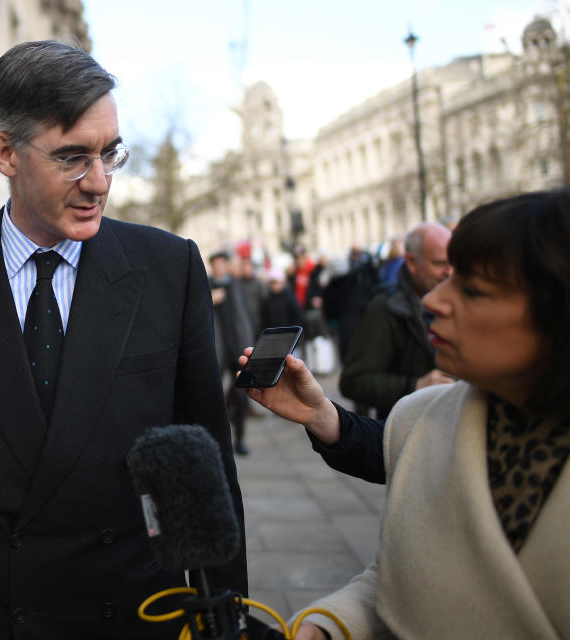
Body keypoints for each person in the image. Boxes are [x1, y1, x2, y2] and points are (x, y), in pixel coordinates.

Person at [0, 41, 248, 640]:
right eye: (72, 158)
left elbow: (209, 466)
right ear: (5, 152)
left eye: (109, 153)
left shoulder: (169, 269)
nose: (99, 182)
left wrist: (228, 616)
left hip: (137, 616)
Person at [240, 189, 570, 639]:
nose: (435, 301)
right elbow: (406, 579)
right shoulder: (424, 416)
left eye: (472, 288)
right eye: (445, 273)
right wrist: (333, 624)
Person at [338, 222, 455, 419]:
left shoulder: (461, 299)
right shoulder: (384, 308)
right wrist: (414, 386)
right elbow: (353, 381)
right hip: (409, 433)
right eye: (440, 263)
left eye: (454, 262)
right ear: (411, 262)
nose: (450, 272)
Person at [208, 251, 255, 455]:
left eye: (222, 263)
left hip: (238, 349)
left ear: (227, 265)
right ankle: (217, 442)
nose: (219, 267)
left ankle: (240, 439)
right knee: (214, 398)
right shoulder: (205, 285)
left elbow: (247, 315)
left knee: (241, 397)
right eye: (215, 264)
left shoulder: (236, 285)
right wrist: (209, 300)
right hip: (215, 351)